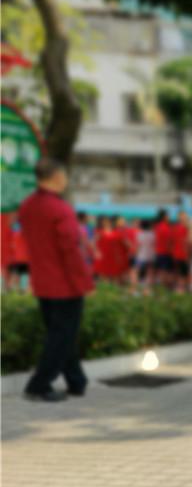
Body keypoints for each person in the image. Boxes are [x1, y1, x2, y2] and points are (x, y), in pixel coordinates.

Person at [18, 158, 94, 402]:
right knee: (61, 337)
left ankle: (76, 382)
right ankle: (38, 385)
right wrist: (84, 282)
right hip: (65, 284)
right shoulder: (60, 209)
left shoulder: (27, 206)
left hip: (42, 281)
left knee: (61, 334)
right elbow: (70, 250)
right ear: (57, 177)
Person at [153, 209, 174, 288]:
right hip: (166, 252)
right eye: (168, 216)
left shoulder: (157, 226)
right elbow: (169, 241)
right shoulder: (166, 227)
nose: (169, 217)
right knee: (166, 272)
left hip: (159, 252)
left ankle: (162, 287)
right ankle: (166, 287)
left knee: (162, 271)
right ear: (165, 217)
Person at [171, 211, 191, 292]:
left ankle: (182, 288)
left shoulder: (187, 227)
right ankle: (181, 289)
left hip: (182, 254)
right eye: (182, 217)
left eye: (184, 216)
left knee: (184, 273)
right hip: (181, 255)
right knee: (183, 273)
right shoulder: (177, 228)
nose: (183, 218)